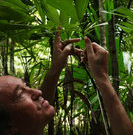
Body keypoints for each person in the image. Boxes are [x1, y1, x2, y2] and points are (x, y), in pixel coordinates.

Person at [0, 29, 133, 135]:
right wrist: (102, 78)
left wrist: (56, 68)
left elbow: (38, 107)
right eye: (20, 94)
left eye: (27, 86)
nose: (37, 91)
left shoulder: (24, 125)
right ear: (8, 127)